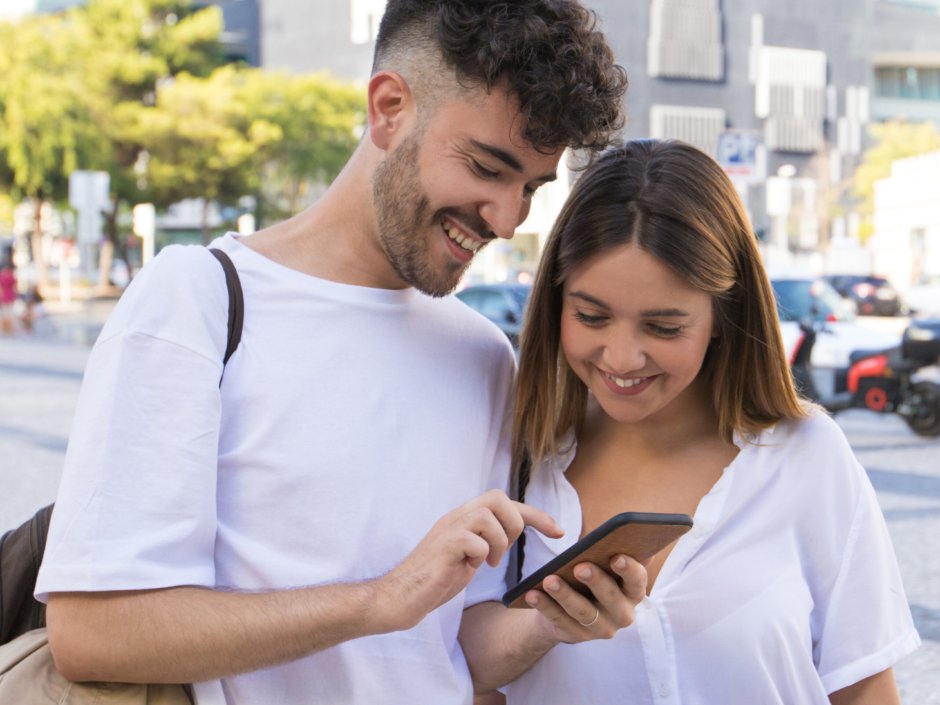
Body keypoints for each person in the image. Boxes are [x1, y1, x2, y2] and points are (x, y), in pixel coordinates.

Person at [35, 2, 638, 703]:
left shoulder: (484, 357)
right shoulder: (198, 300)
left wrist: (554, 622)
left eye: (531, 188)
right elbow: (92, 629)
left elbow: (449, 645)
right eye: (487, 167)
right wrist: (377, 600)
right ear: (388, 108)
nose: (507, 219)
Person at [478, 139, 920, 704]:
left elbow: (863, 689)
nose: (621, 358)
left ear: (722, 317)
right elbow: (468, 675)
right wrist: (544, 625)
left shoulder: (808, 457)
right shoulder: (516, 449)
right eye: (591, 316)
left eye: (663, 328)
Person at [0, 249, 16, 335]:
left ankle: (6, 329)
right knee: (9, 313)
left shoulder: (3, 276)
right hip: (9, 296)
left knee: (5, 313)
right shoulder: (11, 276)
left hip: (5, 296)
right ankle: (8, 329)